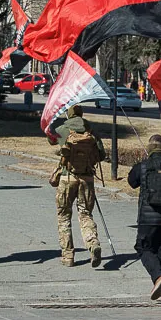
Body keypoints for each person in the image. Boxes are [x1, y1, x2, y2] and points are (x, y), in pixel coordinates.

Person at [127, 134, 161, 300]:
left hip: (147, 218)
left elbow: (132, 182)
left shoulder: (142, 166)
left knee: (143, 248)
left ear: (150, 148)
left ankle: (158, 277)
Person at [53, 106, 106, 268]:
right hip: (87, 179)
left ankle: (68, 255)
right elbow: (102, 155)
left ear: (68, 114)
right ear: (82, 114)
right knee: (85, 214)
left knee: (64, 215)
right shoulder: (91, 130)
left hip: (67, 178)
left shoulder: (62, 129)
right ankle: (92, 244)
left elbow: (50, 139)